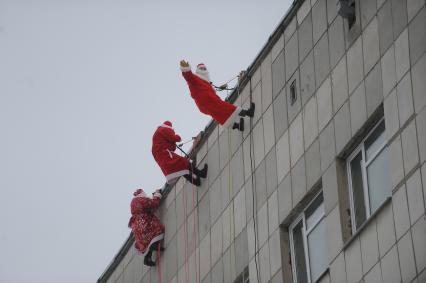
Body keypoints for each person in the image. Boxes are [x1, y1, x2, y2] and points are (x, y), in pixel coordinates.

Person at [180, 60, 255, 131]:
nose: (203, 70)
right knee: (225, 107)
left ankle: (237, 126)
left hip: (205, 104)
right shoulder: (196, 79)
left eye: (204, 68)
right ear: (198, 71)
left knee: (219, 115)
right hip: (207, 100)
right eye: (201, 68)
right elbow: (189, 77)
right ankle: (247, 112)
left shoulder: (206, 83)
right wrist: (186, 70)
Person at [152, 121, 207, 186]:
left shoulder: (158, 135)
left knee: (179, 168)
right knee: (183, 162)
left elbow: (171, 146)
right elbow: (174, 138)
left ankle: (195, 181)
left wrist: (172, 144)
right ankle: (201, 173)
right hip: (165, 154)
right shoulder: (164, 129)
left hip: (162, 158)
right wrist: (178, 138)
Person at [128, 188, 165, 266]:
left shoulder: (134, 203)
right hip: (144, 222)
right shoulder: (141, 200)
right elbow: (154, 203)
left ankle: (147, 258)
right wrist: (157, 194)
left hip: (136, 227)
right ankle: (155, 245)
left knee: (146, 240)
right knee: (156, 230)